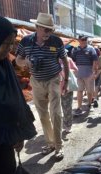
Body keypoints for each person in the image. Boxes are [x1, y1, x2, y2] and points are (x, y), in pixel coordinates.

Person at [0, 14, 37, 174]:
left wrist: (18, 132)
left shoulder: (4, 65)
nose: (10, 48)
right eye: (5, 43)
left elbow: (17, 101)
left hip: (4, 146)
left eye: (12, 43)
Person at [16, 13, 69, 160]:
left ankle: (59, 146)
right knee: (43, 114)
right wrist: (26, 61)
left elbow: (64, 61)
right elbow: (18, 60)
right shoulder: (26, 41)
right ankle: (50, 143)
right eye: (45, 30)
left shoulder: (56, 41)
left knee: (56, 113)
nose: (48, 33)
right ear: (37, 27)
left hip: (53, 79)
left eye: (50, 30)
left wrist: (67, 81)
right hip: (36, 81)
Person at [71, 35, 98, 114]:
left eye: (85, 40)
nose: (83, 41)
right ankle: (79, 107)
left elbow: (95, 60)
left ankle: (89, 104)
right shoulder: (75, 49)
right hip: (79, 74)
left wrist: (93, 72)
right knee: (79, 91)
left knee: (89, 91)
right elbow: (73, 61)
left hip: (89, 74)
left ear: (86, 40)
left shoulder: (91, 49)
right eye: (82, 40)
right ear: (79, 40)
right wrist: (74, 71)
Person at [60, 54, 78, 133]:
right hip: (54, 87)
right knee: (56, 109)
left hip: (67, 87)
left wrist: (68, 71)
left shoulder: (68, 59)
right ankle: (60, 124)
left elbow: (75, 69)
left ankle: (68, 124)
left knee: (67, 107)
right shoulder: (52, 60)